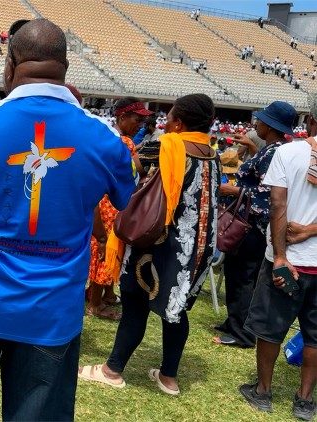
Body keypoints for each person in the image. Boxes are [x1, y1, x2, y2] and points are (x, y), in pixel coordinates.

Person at [0, 19, 135, 420]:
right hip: (52, 309)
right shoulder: (104, 138)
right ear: (65, 67)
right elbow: (124, 201)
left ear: (9, 64)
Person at [80, 93, 219, 396]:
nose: (164, 122)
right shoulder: (212, 154)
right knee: (176, 311)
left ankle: (112, 370)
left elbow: (125, 171)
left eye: (168, 116)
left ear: (178, 122)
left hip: (154, 244)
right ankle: (169, 378)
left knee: (135, 308)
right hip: (193, 250)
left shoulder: (164, 146)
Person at [239, 93, 317, 421]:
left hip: (288, 260)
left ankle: (263, 391)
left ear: (310, 121)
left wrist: (282, 255)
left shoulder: (289, 152)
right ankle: (304, 400)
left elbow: (278, 205)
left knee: (270, 328)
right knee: (315, 335)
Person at [215, 101, 296, 348]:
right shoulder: (272, 148)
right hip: (249, 220)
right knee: (234, 271)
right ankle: (234, 322)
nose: (256, 124)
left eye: (260, 121)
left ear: (271, 126)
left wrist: (231, 189)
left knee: (243, 275)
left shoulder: (275, 152)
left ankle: (242, 333)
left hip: (253, 223)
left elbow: (267, 192)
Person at [86, 97, 150, 321]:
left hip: (101, 202)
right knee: (106, 252)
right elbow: (134, 173)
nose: (140, 124)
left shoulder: (107, 137)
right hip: (110, 206)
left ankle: (102, 295)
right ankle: (96, 304)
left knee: (100, 252)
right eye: (137, 119)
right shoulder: (124, 143)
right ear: (122, 117)